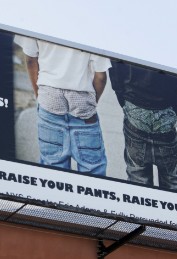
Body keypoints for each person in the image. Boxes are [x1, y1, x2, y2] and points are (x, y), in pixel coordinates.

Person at [14, 35, 111, 176]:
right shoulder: (93, 26)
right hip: (82, 101)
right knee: (93, 169)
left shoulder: (36, 18)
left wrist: (39, 94)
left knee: (53, 169)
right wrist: (91, 104)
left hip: (49, 98)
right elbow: (101, 76)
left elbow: (30, 60)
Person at [109, 61, 177, 190]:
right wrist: (175, 109)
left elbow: (116, 76)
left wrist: (125, 102)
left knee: (138, 178)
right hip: (164, 116)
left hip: (135, 111)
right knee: (172, 180)